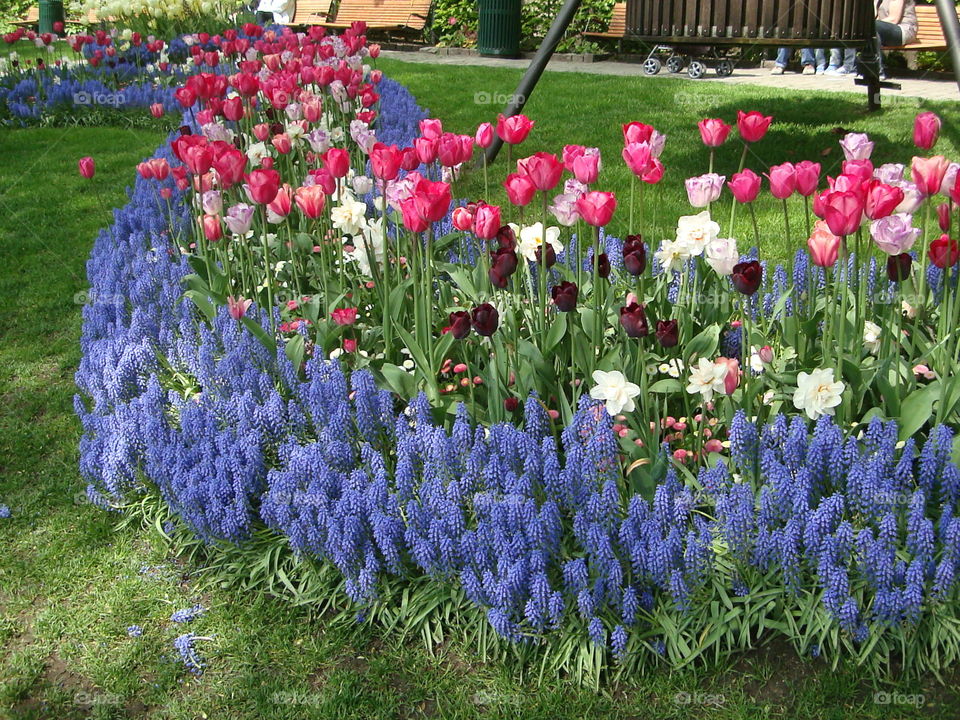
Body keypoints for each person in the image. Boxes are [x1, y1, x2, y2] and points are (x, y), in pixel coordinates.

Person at [874, 0, 918, 77]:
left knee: (870, 26)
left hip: (904, 30)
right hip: (884, 31)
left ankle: (878, 71)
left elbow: (894, 19)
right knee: (856, 26)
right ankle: (850, 68)